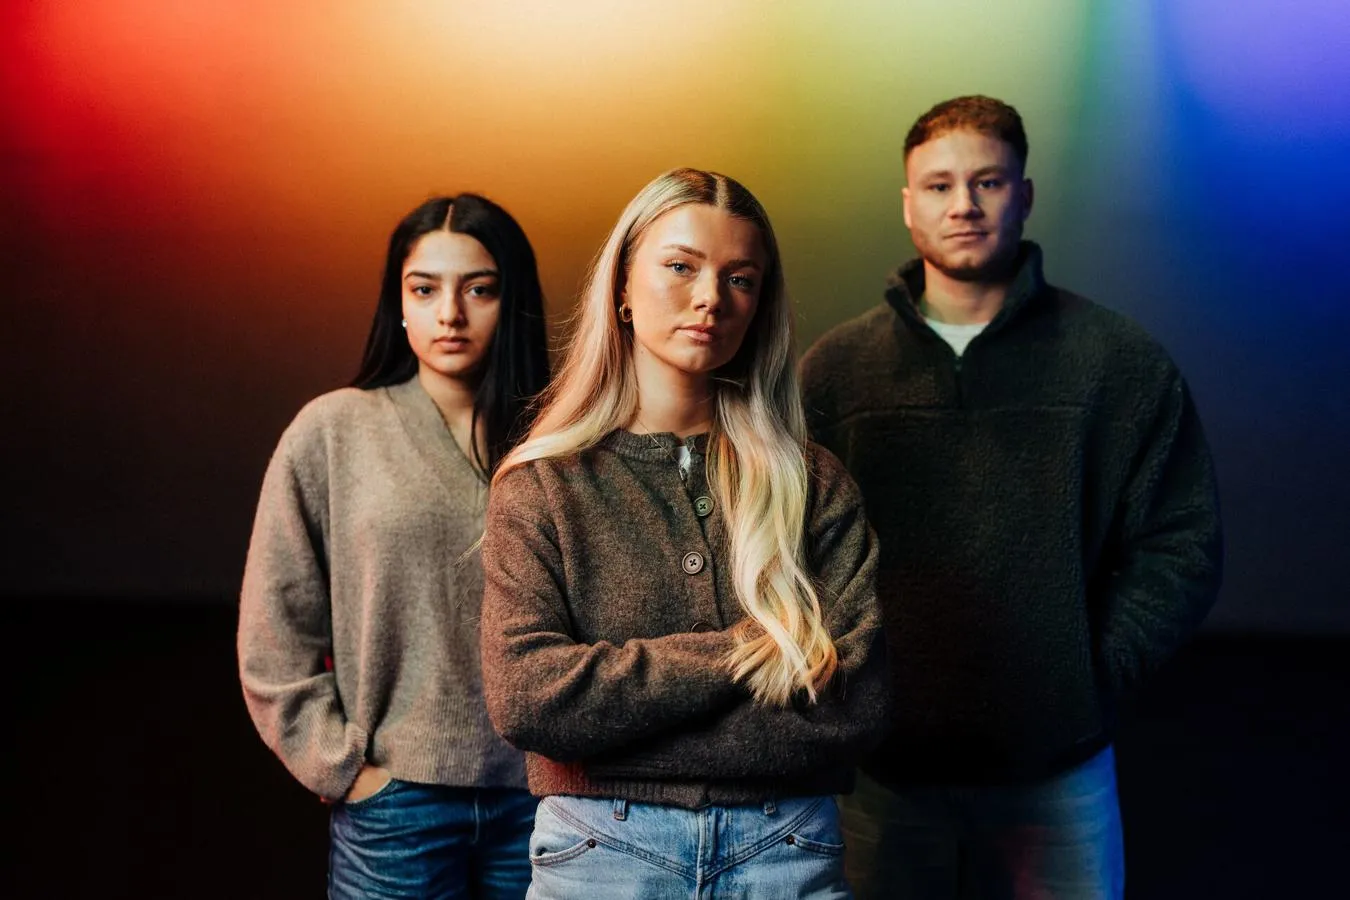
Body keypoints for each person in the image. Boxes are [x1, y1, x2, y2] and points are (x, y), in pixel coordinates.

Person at [800, 95, 1224, 899]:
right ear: (907, 204)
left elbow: (1183, 542)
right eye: (938, 185)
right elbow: (790, 546)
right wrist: (848, 685)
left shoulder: (1116, 362)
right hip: (881, 771)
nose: (963, 205)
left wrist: (1083, 674)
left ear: (1024, 195)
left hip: (1056, 770)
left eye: (988, 182)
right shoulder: (837, 372)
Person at [478, 167, 889, 899]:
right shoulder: (541, 485)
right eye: (680, 266)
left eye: (741, 279)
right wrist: (743, 652)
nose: (710, 299)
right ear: (623, 291)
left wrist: (618, 728)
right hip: (599, 853)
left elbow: (857, 707)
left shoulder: (813, 483)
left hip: (785, 844)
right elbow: (529, 701)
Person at [238, 193, 551, 899]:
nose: (450, 313)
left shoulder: (562, 441)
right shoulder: (334, 431)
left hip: (547, 803)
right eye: (424, 289)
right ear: (398, 303)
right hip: (395, 804)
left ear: (514, 301)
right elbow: (272, 624)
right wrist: (341, 765)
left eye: (480, 288)